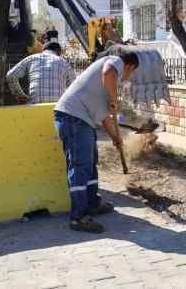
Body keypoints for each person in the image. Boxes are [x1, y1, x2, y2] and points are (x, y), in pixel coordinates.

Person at [53, 48, 139, 233]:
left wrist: (115, 138)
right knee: (80, 166)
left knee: (91, 163)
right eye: (131, 73)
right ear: (129, 66)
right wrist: (115, 98)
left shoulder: (106, 86)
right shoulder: (115, 62)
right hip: (73, 117)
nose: (128, 77)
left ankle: (92, 203)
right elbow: (108, 72)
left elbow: (104, 117)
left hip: (82, 120)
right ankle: (78, 217)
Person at [6, 37, 75, 104]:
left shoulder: (31, 58)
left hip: (34, 108)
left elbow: (11, 75)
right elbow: (74, 87)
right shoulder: (64, 63)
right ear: (59, 52)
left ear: (43, 50)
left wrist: (20, 95)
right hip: (57, 108)